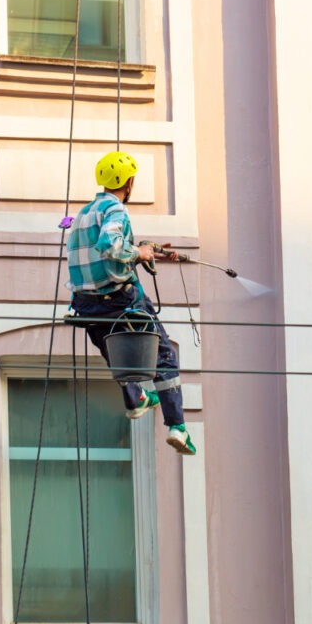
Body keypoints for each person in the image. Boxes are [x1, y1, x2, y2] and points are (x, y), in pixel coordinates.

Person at [66, 151, 196, 455]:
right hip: (120, 297)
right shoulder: (116, 210)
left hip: (87, 303)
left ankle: (136, 398)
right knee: (162, 354)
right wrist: (139, 254)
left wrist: (146, 248)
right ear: (129, 181)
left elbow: (101, 252)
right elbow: (110, 245)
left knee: (118, 353)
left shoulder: (83, 214)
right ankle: (177, 427)